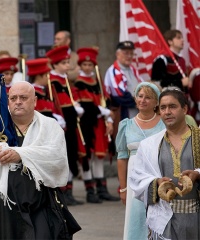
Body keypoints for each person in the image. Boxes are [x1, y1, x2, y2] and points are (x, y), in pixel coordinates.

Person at [0, 79, 80, 239]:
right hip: (4, 206)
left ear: (34, 101)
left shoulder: (49, 126)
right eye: (13, 98)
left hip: (41, 202)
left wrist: (21, 154)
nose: (18, 102)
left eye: (23, 98)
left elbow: (57, 158)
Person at [129, 87, 200, 239]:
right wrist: (156, 182)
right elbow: (136, 178)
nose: (167, 112)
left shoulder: (198, 138)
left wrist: (198, 174)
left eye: (172, 106)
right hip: (164, 219)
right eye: (163, 108)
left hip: (196, 218)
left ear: (185, 109)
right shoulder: (149, 145)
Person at [116, 82, 165, 239]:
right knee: (136, 214)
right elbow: (122, 157)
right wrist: (123, 188)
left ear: (156, 102)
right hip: (134, 175)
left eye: (148, 97)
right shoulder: (126, 125)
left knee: (159, 213)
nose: (142, 100)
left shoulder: (164, 123)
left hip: (157, 172)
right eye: (140, 96)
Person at [74, 47, 119, 203]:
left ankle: (102, 189)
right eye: (84, 64)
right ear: (80, 65)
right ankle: (90, 191)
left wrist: (109, 119)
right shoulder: (78, 83)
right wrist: (103, 111)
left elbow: (105, 101)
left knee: (99, 156)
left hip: (99, 124)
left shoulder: (98, 82)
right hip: (87, 124)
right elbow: (86, 106)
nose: (87, 67)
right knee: (87, 156)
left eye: (90, 65)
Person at [46, 45, 85, 205]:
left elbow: (71, 97)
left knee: (71, 156)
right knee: (63, 156)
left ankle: (69, 191)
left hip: (71, 121)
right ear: (55, 65)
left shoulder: (65, 79)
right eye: (64, 63)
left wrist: (76, 106)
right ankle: (62, 193)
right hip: (61, 122)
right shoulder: (52, 80)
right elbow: (55, 101)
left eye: (68, 62)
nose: (67, 66)